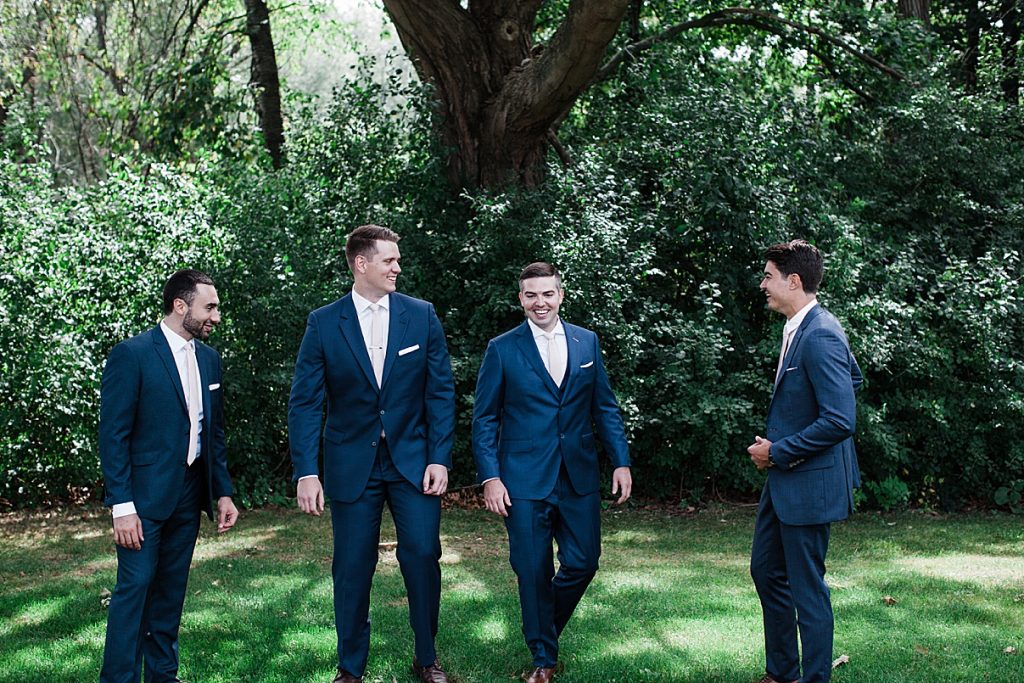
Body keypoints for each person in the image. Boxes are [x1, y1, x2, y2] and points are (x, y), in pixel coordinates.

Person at [288, 225, 456, 683]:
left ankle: (427, 658)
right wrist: (306, 471)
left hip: (413, 463)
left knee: (422, 553)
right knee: (352, 565)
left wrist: (439, 457)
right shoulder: (324, 322)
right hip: (350, 463)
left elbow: (440, 393)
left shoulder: (421, 316)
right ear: (361, 264)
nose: (398, 267)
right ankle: (350, 668)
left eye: (398, 260)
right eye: (389, 260)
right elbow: (305, 402)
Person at [472, 262, 632, 683]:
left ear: (561, 295)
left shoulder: (587, 343)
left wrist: (621, 461)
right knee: (531, 568)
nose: (539, 302)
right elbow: (485, 418)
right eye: (530, 295)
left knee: (584, 561)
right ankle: (543, 659)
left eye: (547, 294)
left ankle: (542, 629)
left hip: (577, 474)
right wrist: (491, 477)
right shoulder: (502, 349)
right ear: (521, 299)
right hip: (522, 478)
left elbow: (605, 407)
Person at [99, 269, 238, 683]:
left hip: (189, 495)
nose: (215, 316)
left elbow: (212, 432)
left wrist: (223, 492)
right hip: (142, 501)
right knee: (134, 590)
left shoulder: (209, 359)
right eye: (209, 307)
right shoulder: (133, 354)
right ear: (181, 306)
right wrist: (122, 508)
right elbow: (114, 436)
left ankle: (162, 676)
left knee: (171, 593)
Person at [746, 240, 863, 683]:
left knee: (807, 590)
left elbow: (840, 419)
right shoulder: (801, 327)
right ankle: (781, 673)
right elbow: (852, 377)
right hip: (785, 482)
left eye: (769, 276)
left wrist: (778, 450)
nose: (763, 285)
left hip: (807, 484)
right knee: (766, 570)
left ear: (794, 281)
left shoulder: (821, 333)